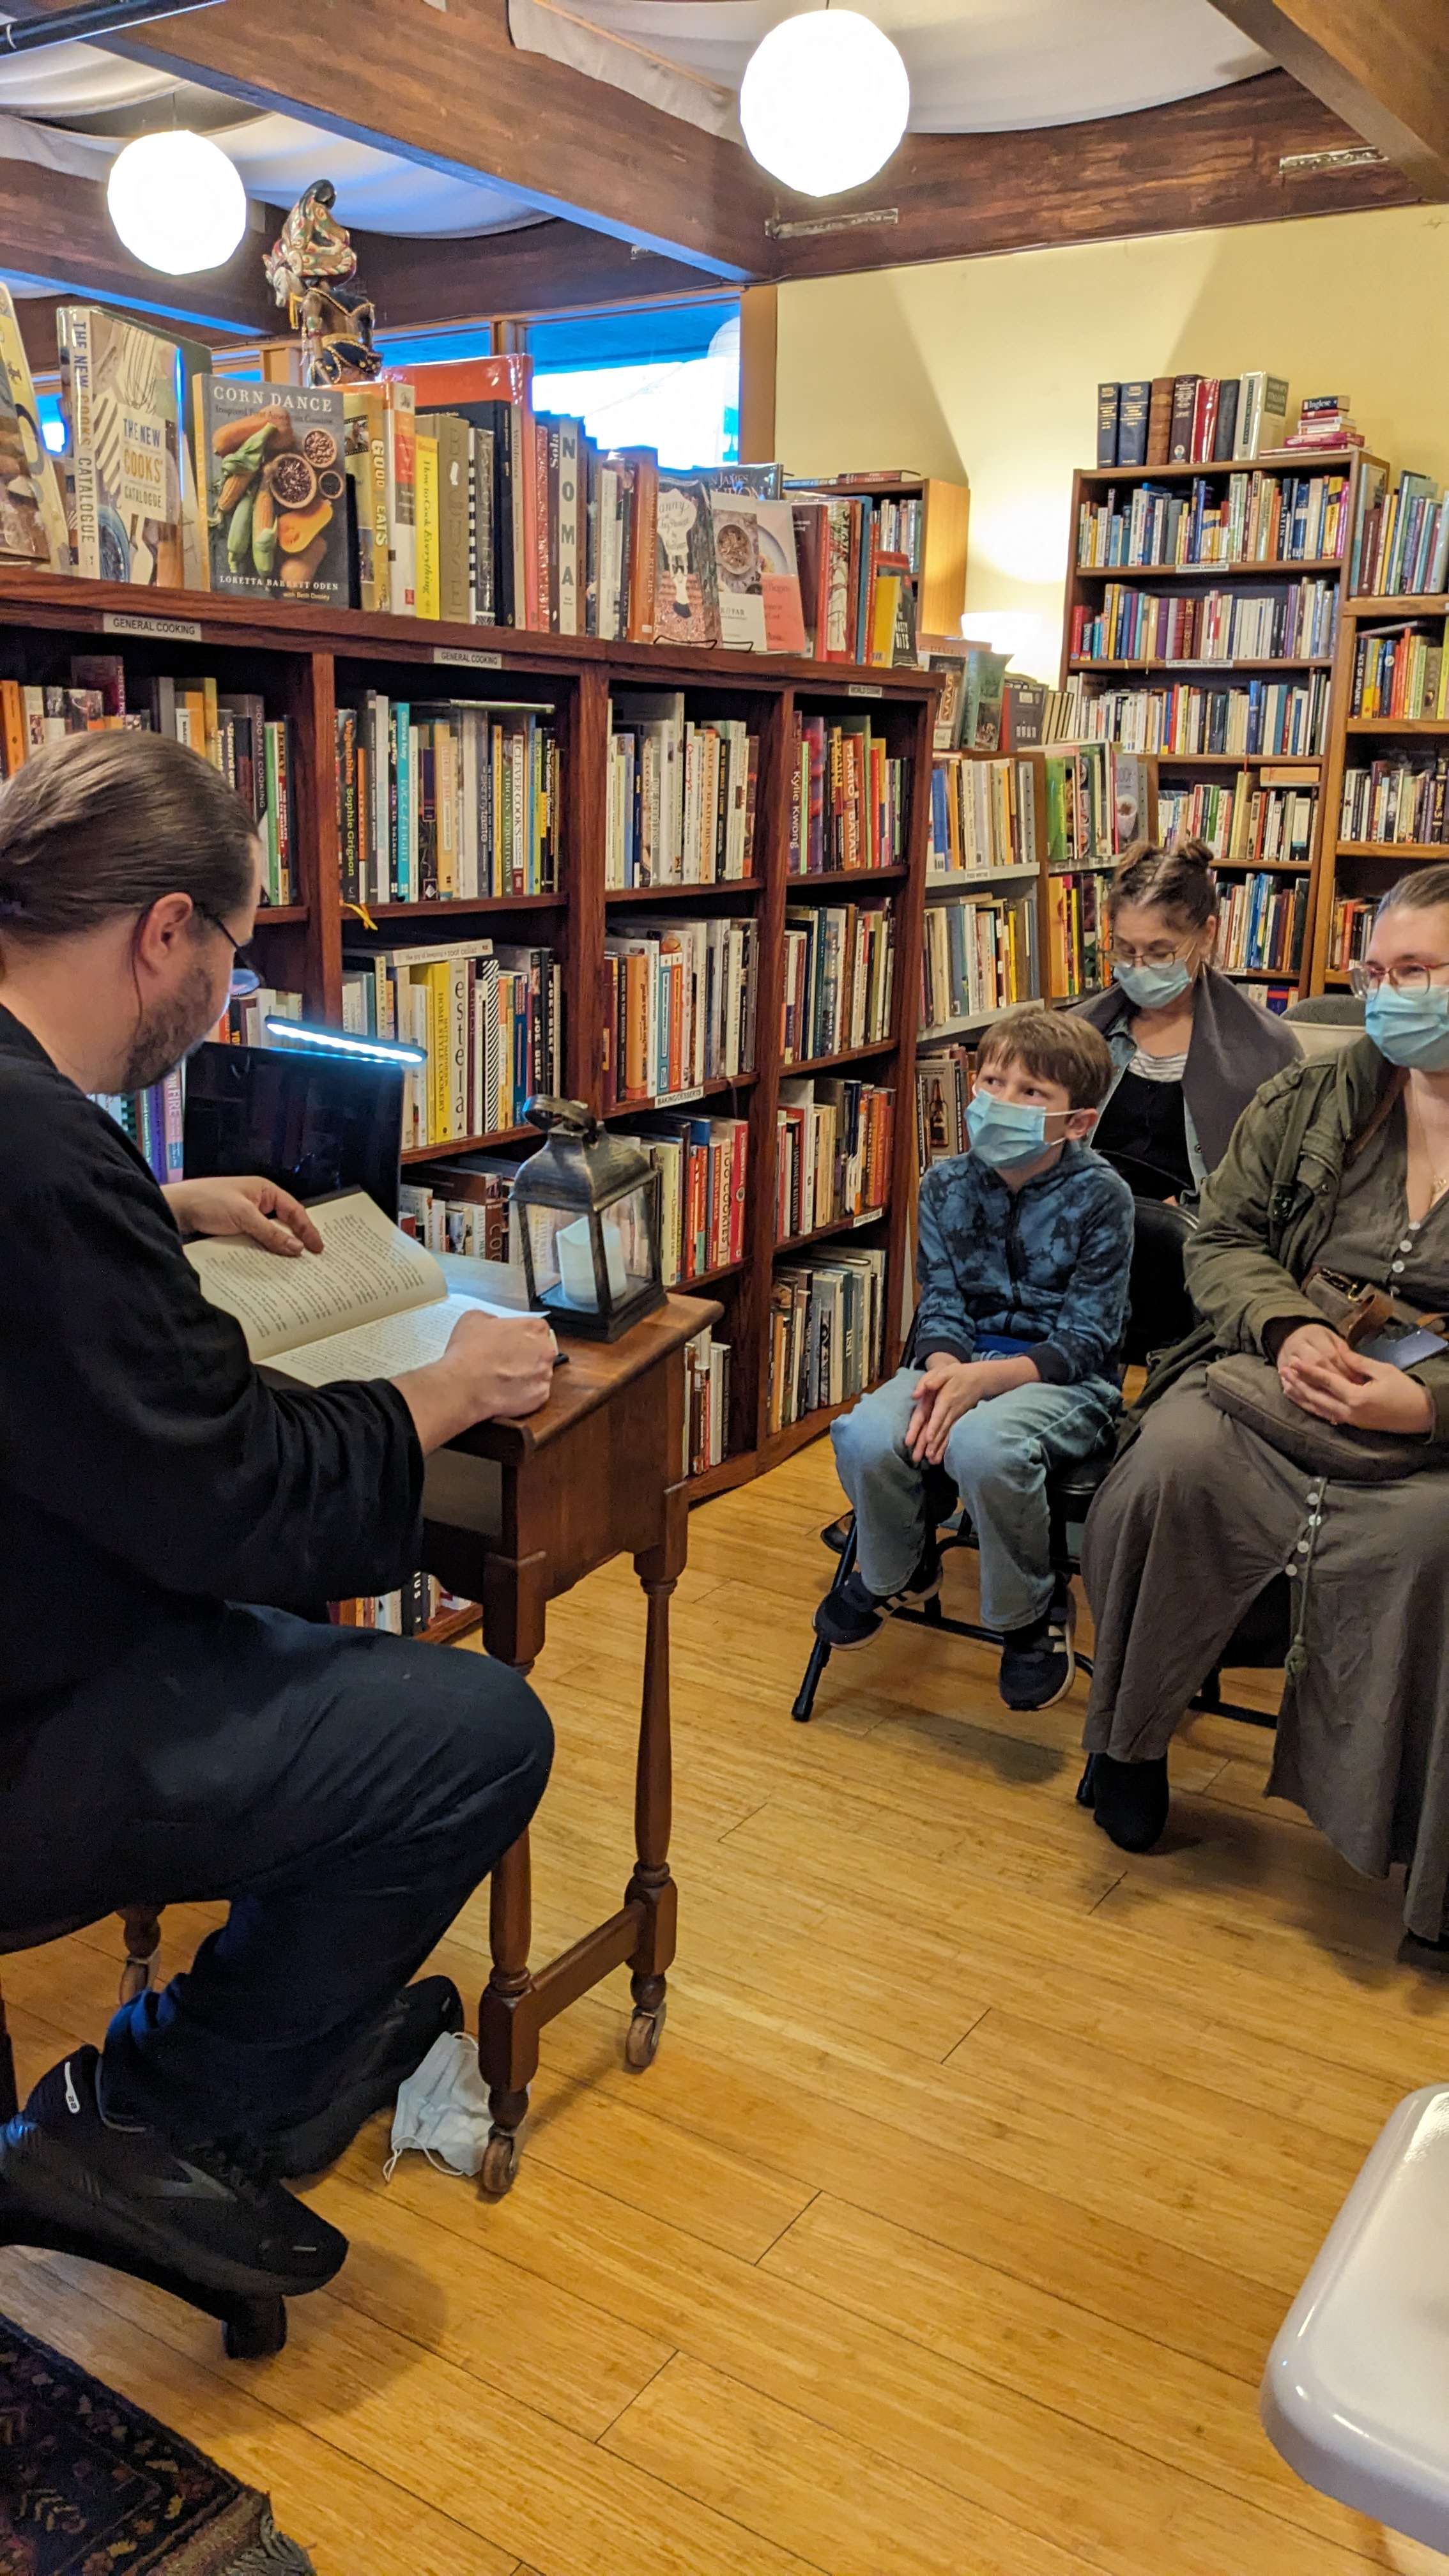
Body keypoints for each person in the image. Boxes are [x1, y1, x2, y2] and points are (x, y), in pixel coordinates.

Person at [0, 730, 557, 2306]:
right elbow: (235, 1495)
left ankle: (268, 2036)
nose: (225, 1003)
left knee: (305, 1675)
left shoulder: (43, 1133)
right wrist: (444, 1389)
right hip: (30, 1718)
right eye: (234, 956)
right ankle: (152, 2115)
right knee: (470, 1730)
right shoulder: (41, 1152)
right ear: (162, 929)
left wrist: (158, 1209)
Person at [1080, 864, 1449, 1958]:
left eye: (1415, 972)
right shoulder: (1314, 1099)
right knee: (1168, 1466)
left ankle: (1407, 1840)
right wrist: (1287, 1327)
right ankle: (1130, 1737)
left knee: (1429, 1541)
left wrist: (1420, 1404)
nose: (1385, 995)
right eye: (1372, 970)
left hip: (1423, 1430)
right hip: (1274, 1364)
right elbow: (1223, 1238)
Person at [818, 1011, 1133, 1711]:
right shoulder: (945, 1184)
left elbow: (1089, 1336)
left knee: (986, 1445)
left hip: (1065, 1380)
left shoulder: (1102, 1198)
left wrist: (981, 1383)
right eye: (993, 1081)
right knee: (867, 1431)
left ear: (1076, 1123)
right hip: (958, 1360)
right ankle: (899, 1565)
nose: (1001, 1101)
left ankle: (1030, 1612)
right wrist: (942, 1373)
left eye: (1030, 1093)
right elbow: (942, 1304)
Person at [1073, 838, 1298, 1351]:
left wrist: (1195, 1206)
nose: (1139, 967)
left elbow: (1275, 1195)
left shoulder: (1266, 1049)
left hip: (1191, 1263)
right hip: (1083, 1248)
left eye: (1159, 952)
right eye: (1124, 950)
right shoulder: (1083, 1032)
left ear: (1208, 935)